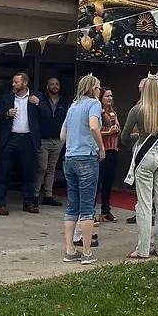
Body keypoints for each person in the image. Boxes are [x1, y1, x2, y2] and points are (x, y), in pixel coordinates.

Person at [122, 75, 158, 258]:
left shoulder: (137, 110)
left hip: (146, 156)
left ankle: (143, 249)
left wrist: (137, 138)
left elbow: (125, 137)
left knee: (144, 204)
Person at [59, 74, 105, 265]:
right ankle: (86, 252)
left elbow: (62, 135)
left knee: (73, 205)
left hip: (69, 157)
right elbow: (94, 127)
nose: (100, 91)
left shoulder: (73, 106)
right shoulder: (93, 104)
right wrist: (101, 148)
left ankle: (70, 250)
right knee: (87, 207)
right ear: (93, 89)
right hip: (87, 156)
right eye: (98, 87)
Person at [0, 72, 44, 216]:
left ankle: (28, 203)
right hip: (10, 138)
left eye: (16, 82)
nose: (13, 84)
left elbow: (47, 114)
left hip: (28, 139)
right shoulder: (7, 97)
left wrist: (38, 103)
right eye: (13, 82)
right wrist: (6, 113)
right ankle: (1, 204)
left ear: (25, 83)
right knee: (4, 172)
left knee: (28, 172)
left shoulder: (36, 96)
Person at [36, 77, 67, 207]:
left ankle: (48, 195)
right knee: (41, 168)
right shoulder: (41, 100)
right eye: (52, 84)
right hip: (43, 139)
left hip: (58, 140)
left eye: (57, 84)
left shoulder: (64, 102)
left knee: (51, 169)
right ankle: (34, 194)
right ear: (47, 86)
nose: (54, 86)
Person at [98, 87, 121, 222]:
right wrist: (109, 133)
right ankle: (91, 212)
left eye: (111, 96)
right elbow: (94, 131)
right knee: (98, 182)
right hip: (102, 151)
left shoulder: (113, 112)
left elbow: (118, 128)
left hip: (113, 149)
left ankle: (105, 211)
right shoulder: (98, 113)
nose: (110, 98)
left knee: (108, 182)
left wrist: (115, 131)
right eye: (107, 96)